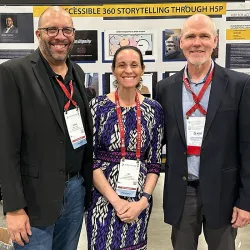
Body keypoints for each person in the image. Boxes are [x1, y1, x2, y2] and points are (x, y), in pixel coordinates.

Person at [0, 6, 93, 250]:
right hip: (34, 199)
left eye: (67, 30)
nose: (60, 36)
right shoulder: (14, 73)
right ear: (38, 34)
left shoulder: (78, 73)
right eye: (52, 29)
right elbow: (6, 145)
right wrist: (13, 207)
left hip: (75, 191)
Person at [156, 13, 250, 250]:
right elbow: (158, 140)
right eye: (190, 37)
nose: (197, 42)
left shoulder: (239, 85)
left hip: (224, 194)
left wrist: (246, 201)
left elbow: (247, 147)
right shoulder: (165, 89)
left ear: (215, 41)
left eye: (204, 36)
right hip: (182, 192)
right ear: (181, 43)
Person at [86, 45, 164, 250]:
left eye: (134, 65)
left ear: (142, 69)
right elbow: (89, 159)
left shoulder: (153, 109)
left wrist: (144, 201)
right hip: (102, 199)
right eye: (121, 65)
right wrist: (116, 201)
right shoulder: (98, 106)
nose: (128, 70)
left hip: (139, 200)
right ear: (113, 70)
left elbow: (154, 162)